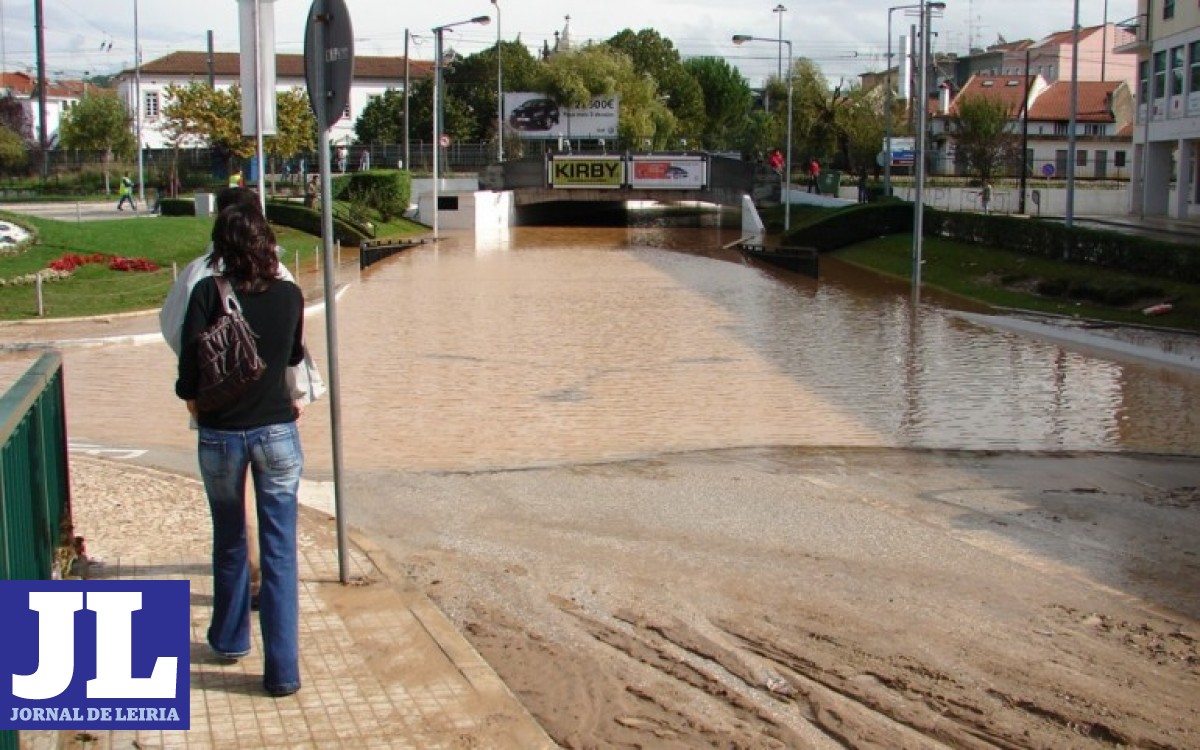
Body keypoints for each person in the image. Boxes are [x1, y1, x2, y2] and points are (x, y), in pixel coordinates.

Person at [176, 203, 305, 698]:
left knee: (230, 539)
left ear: (221, 249)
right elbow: (292, 357)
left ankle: (230, 640)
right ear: (267, 244)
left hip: (220, 436)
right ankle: (283, 672)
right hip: (276, 434)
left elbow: (189, 373)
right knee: (280, 552)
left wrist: (198, 405)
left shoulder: (208, 292)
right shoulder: (292, 295)